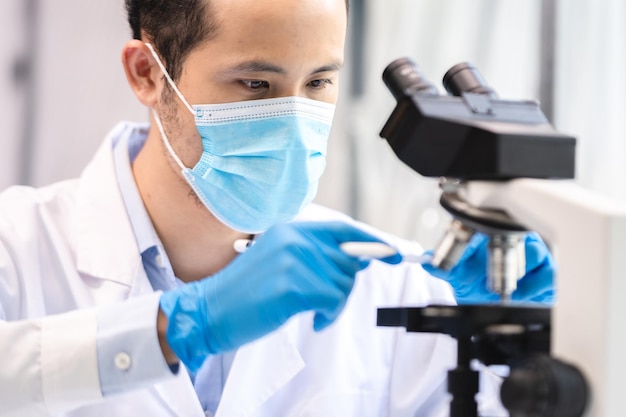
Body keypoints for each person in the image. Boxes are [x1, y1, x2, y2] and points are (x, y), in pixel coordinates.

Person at [0, 0, 553, 416]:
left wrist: (517, 350)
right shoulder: (18, 247)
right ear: (148, 73)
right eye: (255, 82)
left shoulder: (395, 283)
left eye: (318, 81)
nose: (294, 120)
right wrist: (175, 329)